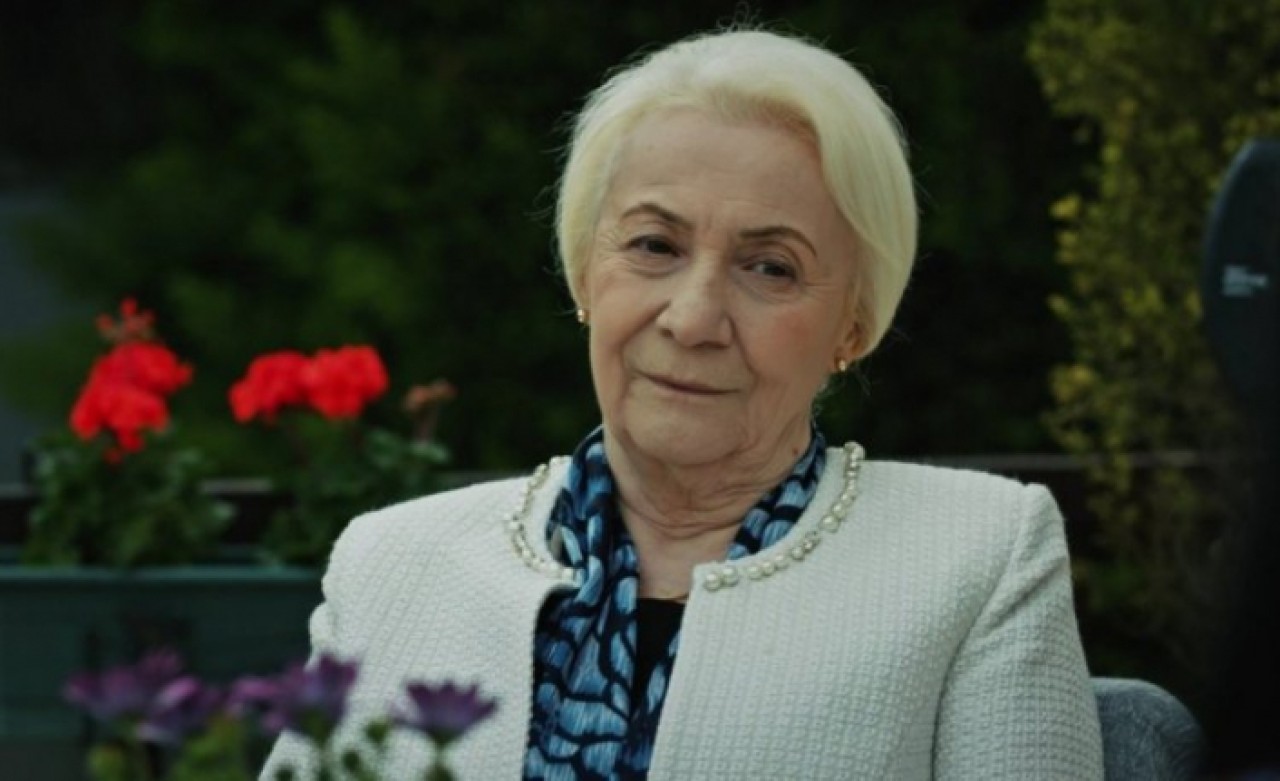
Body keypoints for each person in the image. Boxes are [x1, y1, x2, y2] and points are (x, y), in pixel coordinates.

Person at [264, 27, 1103, 780]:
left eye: (770, 266)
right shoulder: (391, 563)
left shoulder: (980, 555)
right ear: (585, 273)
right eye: (655, 245)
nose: (694, 318)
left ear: (854, 322)